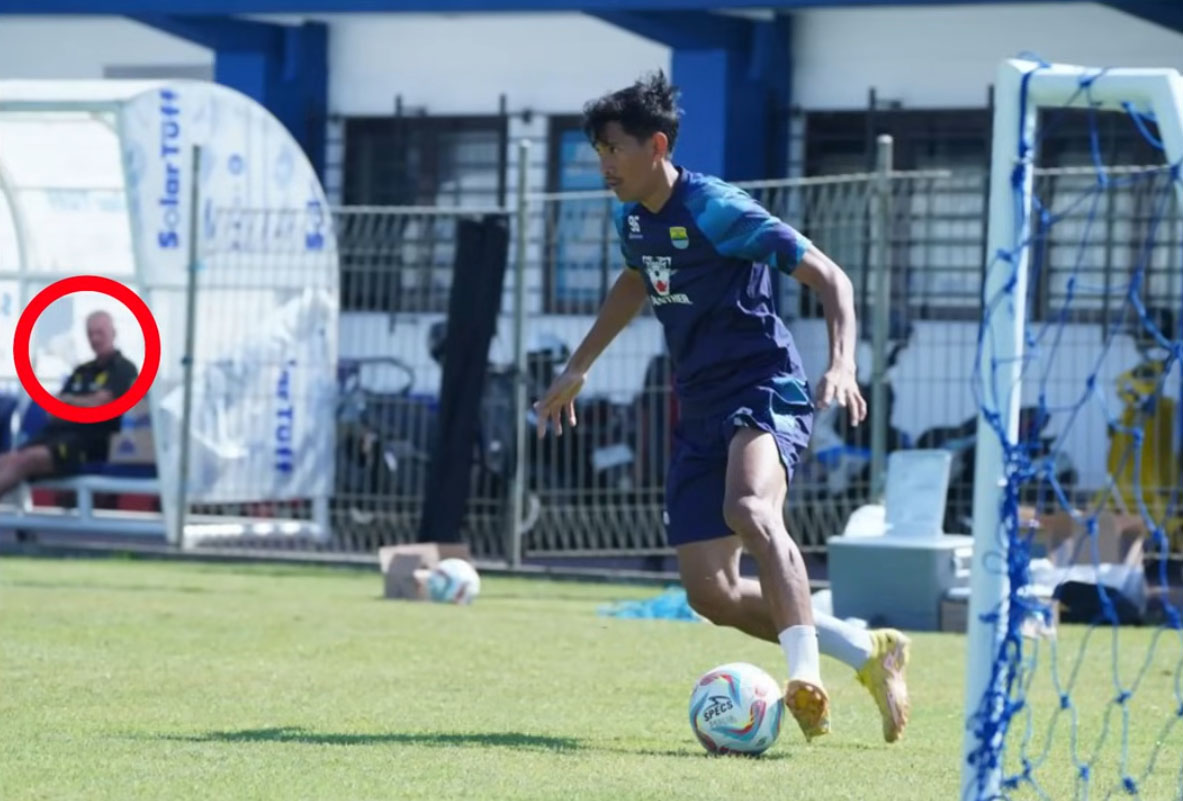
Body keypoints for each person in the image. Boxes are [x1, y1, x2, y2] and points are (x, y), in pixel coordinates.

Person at [533, 72, 910, 744]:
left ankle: (805, 680)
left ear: (655, 145)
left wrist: (843, 360)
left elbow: (829, 275)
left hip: (763, 385)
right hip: (699, 402)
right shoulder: (631, 218)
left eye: (612, 149)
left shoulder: (716, 209)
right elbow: (633, 280)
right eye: (596, 151)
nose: (603, 164)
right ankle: (865, 653)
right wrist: (577, 363)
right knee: (709, 593)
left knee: (751, 508)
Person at [0, 311, 139, 495]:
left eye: (100, 332)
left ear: (113, 332)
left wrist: (70, 401)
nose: (95, 338)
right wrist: (80, 403)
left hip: (88, 443)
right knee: (7, 459)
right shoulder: (82, 371)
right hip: (56, 435)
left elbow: (102, 402)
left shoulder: (124, 369)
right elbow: (52, 410)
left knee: (25, 460)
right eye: (91, 333)